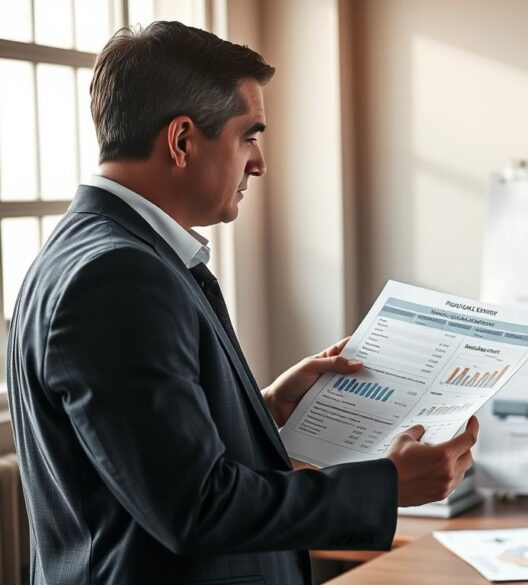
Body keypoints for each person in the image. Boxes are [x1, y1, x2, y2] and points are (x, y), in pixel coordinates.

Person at [6, 21, 477, 585]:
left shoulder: (90, 250)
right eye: (249, 136)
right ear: (182, 140)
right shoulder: (120, 276)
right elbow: (194, 507)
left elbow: (143, 454)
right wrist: (388, 486)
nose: (259, 163)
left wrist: (270, 406)